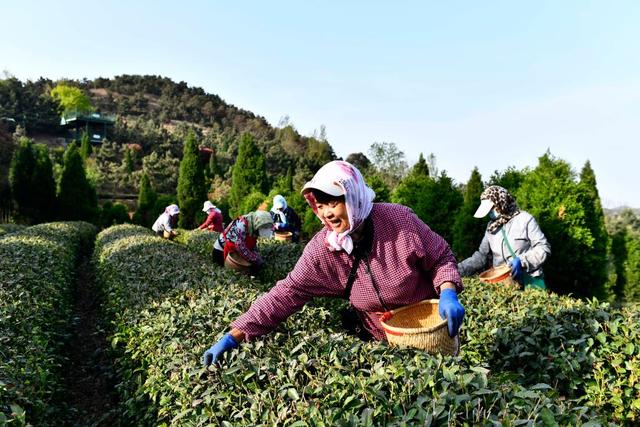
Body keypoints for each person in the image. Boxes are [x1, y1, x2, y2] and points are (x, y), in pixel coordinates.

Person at [203, 160, 465, 366]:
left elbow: (440, 257)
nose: (327, 212)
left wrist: (448, 292)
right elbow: (286, 293)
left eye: (333, 202)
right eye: (320, 204)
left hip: (432, 333)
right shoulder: (324, 248)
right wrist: (234, 335)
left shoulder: (398, 221)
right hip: (384, 343)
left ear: (353, 195)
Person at [457, 185, 550, 289]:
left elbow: (543, 248)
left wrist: (522, 261)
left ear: (501, 202)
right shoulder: (491, 227)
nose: (490, 213)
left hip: (529, 280)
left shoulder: (525, 220)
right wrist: (456, 270)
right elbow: (481, 256)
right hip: (504, 283)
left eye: (492, 208)